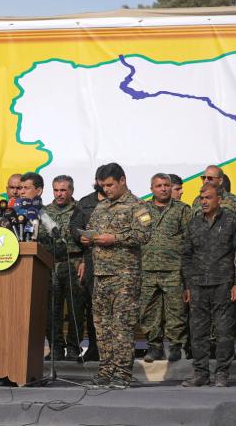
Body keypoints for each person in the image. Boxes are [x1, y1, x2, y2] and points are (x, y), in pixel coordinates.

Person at [84, 163, 152, 389]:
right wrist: (87, 238)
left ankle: (122, 373)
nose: (107, 189)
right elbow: (92, 228)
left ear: (122, 180)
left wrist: (114, 238)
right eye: (103, 186)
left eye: (110, 185)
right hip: (101, 274)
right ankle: (106, 370)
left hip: (125, 276)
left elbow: (144, 234)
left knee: (122, 325)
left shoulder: (138, 206)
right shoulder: (101, 206)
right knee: (102, 325)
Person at [181, 184, 236, 387]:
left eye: (208, 197)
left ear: (219, 199)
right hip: (198, 285)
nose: (204, 201)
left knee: (224, 331)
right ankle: (200, 373)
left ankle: (222, 373)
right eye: (201, 197)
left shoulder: (232, 221)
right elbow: (187, 255)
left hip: (223, 283)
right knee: (198, 331)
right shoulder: (194, 223)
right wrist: (188, 284)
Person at [140, 173, 191, 363]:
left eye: (166, 185)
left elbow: (189, 239)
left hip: (173, 269)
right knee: (148, 310)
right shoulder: (141, 210)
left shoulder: (182, 210)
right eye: (159, 185)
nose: (163, 189)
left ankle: (176, 346)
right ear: (151, 188)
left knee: (176, 310)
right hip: (147, 268)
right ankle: (155, 347)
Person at [43, 175, 85, 362]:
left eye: (63, 190)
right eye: (56, 190)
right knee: (52, 309)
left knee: (76, 309)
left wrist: (85, 260)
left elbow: (86, 238)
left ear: (71, 191)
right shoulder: (44, 212)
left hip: (74, 263)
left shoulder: (80, 211)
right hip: (51, 264)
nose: (59, 194)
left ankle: (74, 348)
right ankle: (56, 348)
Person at [70, 167, 106, 363]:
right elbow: (74, 226)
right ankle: (93, 347)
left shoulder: (124, 202)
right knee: (93, 307)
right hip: (92, 260)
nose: (104, 186)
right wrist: (80, 236)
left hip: (116, 264)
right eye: (101, 181)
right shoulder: (86, 203)